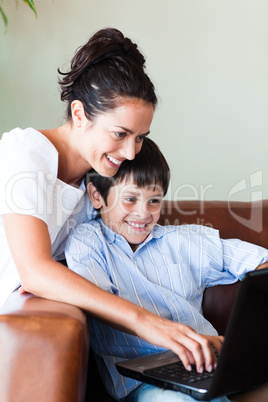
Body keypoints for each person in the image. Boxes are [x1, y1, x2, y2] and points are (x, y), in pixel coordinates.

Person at [0, 28, 219, 374]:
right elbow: (35, 271)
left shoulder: (101, 184)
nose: (131, 152)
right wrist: (146, 322)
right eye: (120, 134)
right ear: (79, 114)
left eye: (140, 138)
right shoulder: (24, 153)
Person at [65, 137, 268, 402]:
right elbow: (96, 300)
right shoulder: (88, 241)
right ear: (96, 196)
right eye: (130, 199)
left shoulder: (185, 240)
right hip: (143, 382)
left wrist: (237, 344)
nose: (143, 213)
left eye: (154, 201)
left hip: (211, 364)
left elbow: (259, 262)